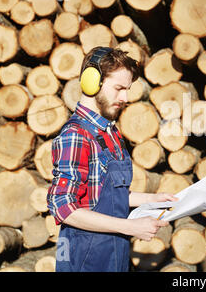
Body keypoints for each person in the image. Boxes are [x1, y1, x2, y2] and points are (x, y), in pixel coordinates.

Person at [47, 46, 176, 272]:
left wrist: (154, 199)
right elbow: (63, 207)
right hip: (83, 260)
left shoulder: (110, 133)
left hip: (113, 254)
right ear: (91, 81)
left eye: (127, 89)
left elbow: (107, 197)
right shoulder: (76, 135)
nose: (125, 98)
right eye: (118, 88)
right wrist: (129, 226)